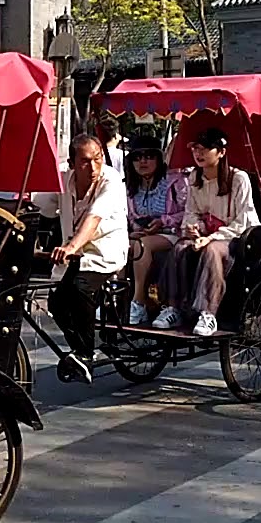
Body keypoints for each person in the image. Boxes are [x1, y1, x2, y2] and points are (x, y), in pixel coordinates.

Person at [154, 127, 260, 337]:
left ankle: (208, 312)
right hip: (206, 235)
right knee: (181, 246)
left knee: (212, 251)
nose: (198, 154)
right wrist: (194, 228)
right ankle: (173, 307)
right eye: (196, 149)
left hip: (235, 239)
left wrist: (210, 237)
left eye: (205, 149)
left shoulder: (238, 179)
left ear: (221, 152)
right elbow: (192, 212)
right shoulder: (195, 177)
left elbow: (242, 221)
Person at [47, 133, 130, 384]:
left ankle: (86, 354)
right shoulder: (64, 180)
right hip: (74, 256)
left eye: (97, 159)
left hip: (105, 252)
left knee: (80, 287)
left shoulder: (111, 180)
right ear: (72, 163)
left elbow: (94, 218)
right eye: (84, 161)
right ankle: (78, 350)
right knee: (56, 303)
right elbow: (41, 206)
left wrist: (71, 246)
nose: (93, 167)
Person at [124, 135, 187, 324]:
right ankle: (117, 299)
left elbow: (189, 212)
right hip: (143, 234)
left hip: (172, 233)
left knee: (142, 246)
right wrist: (134, 228)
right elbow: (129, 216)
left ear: (159, 158)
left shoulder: (175, 182)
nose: (143, 161)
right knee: (123, 246)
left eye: (149, 156)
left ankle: (139, 302)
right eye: (137, 157)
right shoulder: (130, 186)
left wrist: (163, 221)